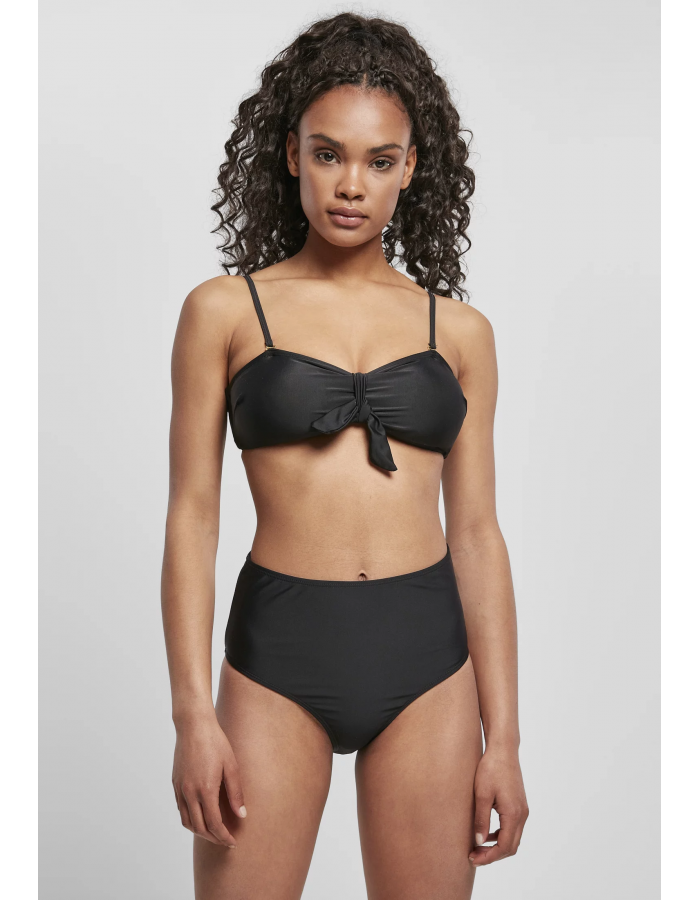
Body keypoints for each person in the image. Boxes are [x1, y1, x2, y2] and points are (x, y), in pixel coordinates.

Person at [161, 12, 528, 898]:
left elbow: (477, 534)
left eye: (379, 160)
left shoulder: (461, 331)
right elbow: (193, 516)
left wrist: (506, 741)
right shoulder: (224, 311)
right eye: (328, 154)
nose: (351, 185)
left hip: (428, 660)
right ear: (291, 154)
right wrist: (191, 716)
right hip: (277, 653)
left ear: (412, 167)